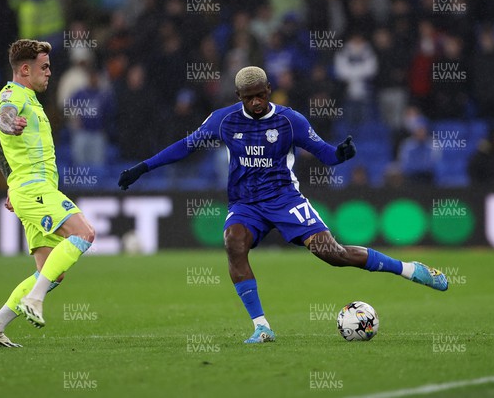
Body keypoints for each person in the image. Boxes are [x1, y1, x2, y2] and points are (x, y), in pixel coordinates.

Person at [118, 66, 448, 344]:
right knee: (234, 242)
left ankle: (410, 270)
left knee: (332, 254)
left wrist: (340, 155)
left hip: (285, 199)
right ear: (238, 98)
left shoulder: (291, 122)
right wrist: (143, 167)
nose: (257, 101)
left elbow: (325, 153)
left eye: (261, 94)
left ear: (269, 90)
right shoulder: (224, 120)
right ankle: (262, 327)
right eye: (249, 97)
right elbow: (185, 146)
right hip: (246, 203)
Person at [0, 39, 95, 347]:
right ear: (25, 69)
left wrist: (9, 182)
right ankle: (35, 299)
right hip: (34, 188)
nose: (49, 73)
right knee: (84, 233)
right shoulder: (12, 95)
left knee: (52, 272)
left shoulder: (29, 98)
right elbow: (3, 120)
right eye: (44, 67)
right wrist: (9, 123)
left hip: (28, 188)